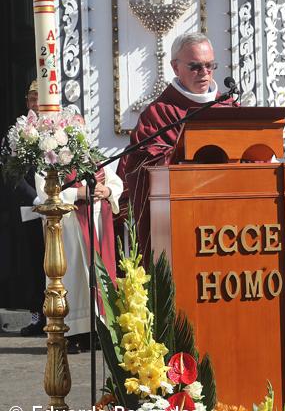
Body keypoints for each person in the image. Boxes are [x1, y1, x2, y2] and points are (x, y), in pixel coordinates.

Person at [117, 32, 234, 261]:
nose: (204, 73)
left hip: (229, 219)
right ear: (175, 67)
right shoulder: (159, 113)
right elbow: (140, 166)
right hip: (180, 219)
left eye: (210, 66)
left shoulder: (229, 108)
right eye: (195, 66)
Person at [35, 110, 123, 353]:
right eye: (75, 128)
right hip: (70, 227)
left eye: (82, 128)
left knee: (97, 278)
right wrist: (78, 194)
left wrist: (107, 192)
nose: (80, 133)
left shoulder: (92, 157)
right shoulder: (51, 160)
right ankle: (72, 334)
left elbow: (115, 182)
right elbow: (45, 193)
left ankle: (98, 331)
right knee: (74, 279)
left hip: (97, 224)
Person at [0, 81, 46, 335]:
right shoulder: (16, 132)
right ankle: (36, 315)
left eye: (40, 98)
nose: (35, 104)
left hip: (60, 205)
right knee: (33, 262)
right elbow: (11, 171)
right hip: (30, 207)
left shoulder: (61, 128)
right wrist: (34, 198)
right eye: (31, 98)